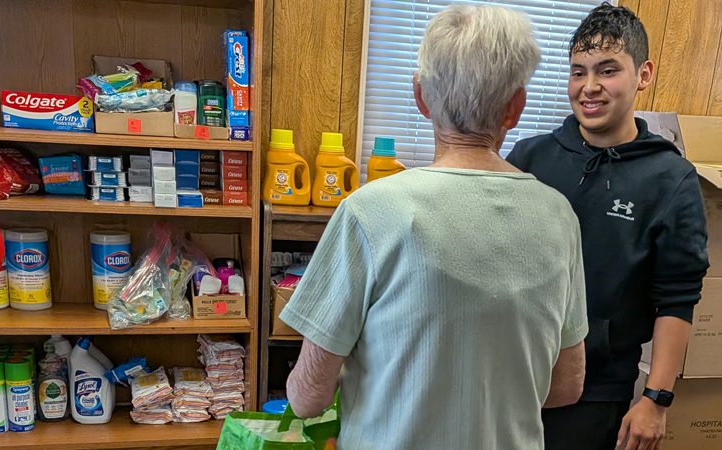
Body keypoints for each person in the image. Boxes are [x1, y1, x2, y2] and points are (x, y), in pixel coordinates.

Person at [280, 4, 588, 449]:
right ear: (515, 107)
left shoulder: (370, 211)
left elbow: (307, 398)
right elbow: (565, 387)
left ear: (421, 96)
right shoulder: (559, 216)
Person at [506, 4, 709, 450]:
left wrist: (656, 399)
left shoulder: (670, 180)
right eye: (578, 72)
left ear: (644, 74)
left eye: (608, 70)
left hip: (595, 393)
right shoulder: (528, 158)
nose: (589, 88)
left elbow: (676, 298)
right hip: (507, 376)